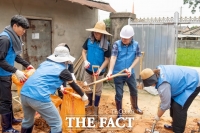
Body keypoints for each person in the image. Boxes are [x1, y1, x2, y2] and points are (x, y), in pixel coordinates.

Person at [20, 46, 88, 133]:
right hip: (39, 97)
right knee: (56, 123)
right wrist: (83, 95)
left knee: (28, 120)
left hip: (24, 94)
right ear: (65, 60)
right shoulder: (64, 70)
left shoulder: (44, 64)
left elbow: (45, 78)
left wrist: (61, 87)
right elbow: (74, 85)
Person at [140, 65, 200, 133]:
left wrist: (158, 116)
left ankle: (178, 130)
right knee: (172, 102)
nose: (150, 85)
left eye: (149, 84)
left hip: (192, 82)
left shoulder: (163, 85)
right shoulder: (158, 70)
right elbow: (167, 100)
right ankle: (175, 125)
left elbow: (165, 105)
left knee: (178, 107)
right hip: (184, 80)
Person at [0, 15, 34, 133]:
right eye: (23, 29)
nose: (24, 32)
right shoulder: (5, 39)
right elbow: (0, 60)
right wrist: (16, 70)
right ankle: (6, 128)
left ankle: (11, 120)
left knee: (8, 98)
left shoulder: (13, 37)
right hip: (1, 75)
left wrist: (27, 64)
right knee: (5, 101)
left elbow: (14, 55)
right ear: (15, 26)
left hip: (6, 73)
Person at [106, 25, 143, 119]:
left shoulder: (136, 45)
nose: (123, 39)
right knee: (119, 93)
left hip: (130, 73)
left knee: (134, 90)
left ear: (131, 37)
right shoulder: (116, 44)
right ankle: (119, 114)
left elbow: (137, 57)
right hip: (118, 73)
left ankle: (135, 107)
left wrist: (130, 68)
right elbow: (113, 57)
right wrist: (110, 71)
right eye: (122, 37)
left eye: (126, 38)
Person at [82, 21, 112, 109]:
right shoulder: (89, 41)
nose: (96, 34)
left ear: (102, 34)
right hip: (88, 70)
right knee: (88, 87)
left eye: (98, 33)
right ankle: (90, 103)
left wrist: (100, 69)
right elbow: (83, 51)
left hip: (99, 71)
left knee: (98, 90)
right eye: (95, 32)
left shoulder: (106, 45)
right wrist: (85, 61)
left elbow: (107, 60)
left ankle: (95, 106)